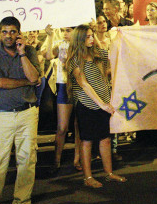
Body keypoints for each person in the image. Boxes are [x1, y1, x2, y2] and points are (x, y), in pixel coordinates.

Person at [0, 16, 41, 204]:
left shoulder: (29, 51)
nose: (8, 35)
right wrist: (27, 83)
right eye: (4, 32)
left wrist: (22, 54)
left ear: (19, 34)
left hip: (27, 113)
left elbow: (35, 77)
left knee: (27, 160)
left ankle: (22, 201)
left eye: (13, 31)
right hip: (1, 115)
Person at [66, 25, 126, 188]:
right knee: (86, 141)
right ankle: (88, 177)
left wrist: (118, 36)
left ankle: (109, 173)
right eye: (87, 37)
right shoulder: (74, 59)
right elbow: (84, 84)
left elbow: (115, 55)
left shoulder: (99, 54)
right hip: (86, 104)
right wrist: (102, 104)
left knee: (105, 139)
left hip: (104, 102)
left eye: (92, 35)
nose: (92, 39)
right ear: (79, 39)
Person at [44, 25, 80, 173]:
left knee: (79, 126)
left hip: (79, 86)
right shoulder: (60, 45)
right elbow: (48, 56)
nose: (65, 33)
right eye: (63, 30)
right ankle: (57, 160)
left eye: (68, 30)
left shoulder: (81, 45)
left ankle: (78, 159)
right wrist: (50, 36)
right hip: (64, 86)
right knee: (62, 127)